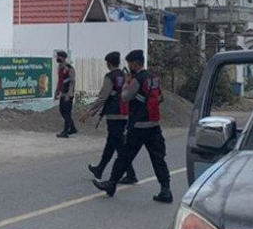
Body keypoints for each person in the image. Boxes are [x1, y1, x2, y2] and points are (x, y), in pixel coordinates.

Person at [93, 49, 171, 203]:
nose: (129, 66)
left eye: (129, 63)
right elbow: (160, 97)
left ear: (135, 63)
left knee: (124, 156)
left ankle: (111, 184)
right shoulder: (153, 78)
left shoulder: (138, 79)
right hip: (154, 125)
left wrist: (128, 83)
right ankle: (166, 190)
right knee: (158, 159)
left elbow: (125, 97)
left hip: (139, 126)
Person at [81, 51, 138, 184]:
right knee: (112, 144)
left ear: (108, 64)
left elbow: (103, 96)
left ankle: (130, 174)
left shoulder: (110, 76)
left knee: (119, 145)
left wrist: (90, 111)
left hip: (113, 114)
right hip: (124, 113)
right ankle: (100, 169)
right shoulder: (125, 75)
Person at [54, 50, 77, 138]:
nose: (57, 58)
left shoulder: (69, 68)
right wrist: (57, 91)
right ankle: (73, 128)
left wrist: (69, 94)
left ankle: (65, 131)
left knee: (66, 112)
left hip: (68, 94)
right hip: (62, 93)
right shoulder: (60, 68)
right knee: (62, 110)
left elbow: (72, 82)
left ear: (63, 58)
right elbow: (59, 81)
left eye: (59, 57)